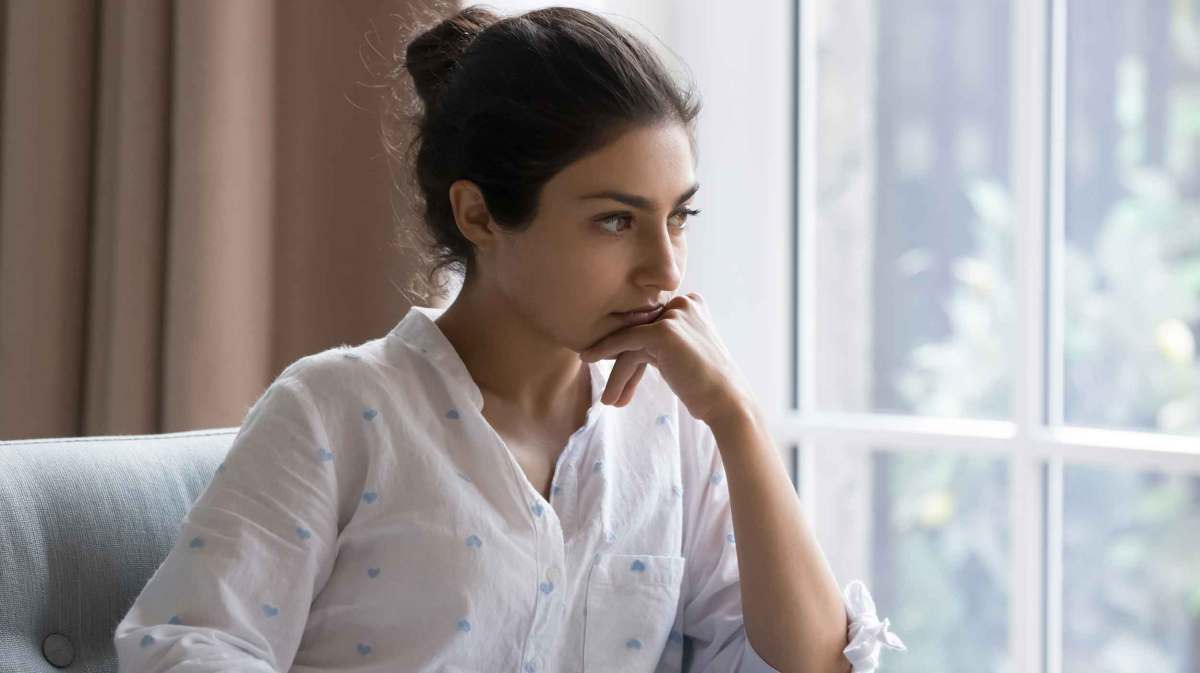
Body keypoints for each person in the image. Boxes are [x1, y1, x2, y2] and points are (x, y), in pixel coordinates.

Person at [113, 5, 905, 673]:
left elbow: (813, 662)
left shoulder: (674, 430)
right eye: (615, 221)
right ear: (479, 214)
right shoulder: (334, 412)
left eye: (679, 217)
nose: (665, 269)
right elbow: (183, 649)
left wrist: (737, 417)